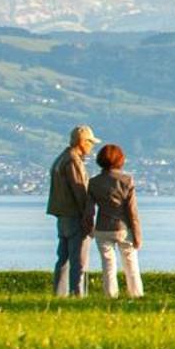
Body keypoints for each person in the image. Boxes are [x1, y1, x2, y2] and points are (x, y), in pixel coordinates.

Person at [85, 144, 143, 299]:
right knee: (131, 263)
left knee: (108, 264)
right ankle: (136, 294)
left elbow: (89, 210)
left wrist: (89, 228)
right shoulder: (127, 180)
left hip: (102, 228)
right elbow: (132, 211)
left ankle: (110, 296)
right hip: (123, 228)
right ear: (120, 160)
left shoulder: (93, 182)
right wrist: (137, 235)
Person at [46, 125, 96, 297]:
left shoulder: (60, 159)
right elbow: (79, 190)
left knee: (63, 258)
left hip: (62, 215)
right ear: (82, 142)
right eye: (90, 142)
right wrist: (88, 216)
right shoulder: (73, 161)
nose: (92, 146)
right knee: (78, 260)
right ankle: (78, 294)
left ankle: (58, 293)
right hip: (74, 216)